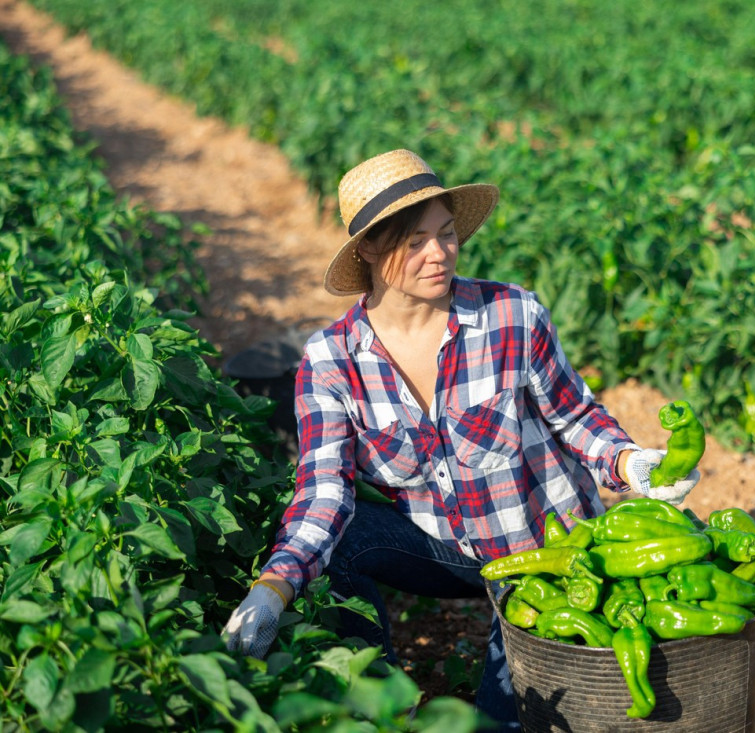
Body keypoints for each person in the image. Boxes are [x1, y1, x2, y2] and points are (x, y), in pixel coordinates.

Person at [222, 149, 700, 729]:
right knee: (341, 543)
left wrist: (628, 463)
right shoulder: (331, 362)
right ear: (368, 249)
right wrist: (273, 587)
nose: (440, 254)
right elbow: (324, 490)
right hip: (443, 549)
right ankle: (387, 707)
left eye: (446, 234)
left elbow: (574, 417)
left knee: (497, 725)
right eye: (415, 242)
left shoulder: (510, 315)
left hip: (542, 555)